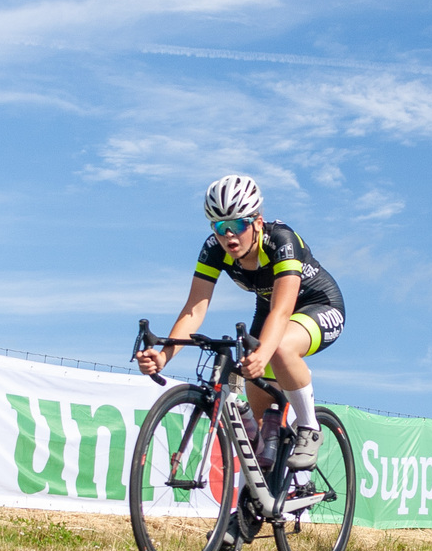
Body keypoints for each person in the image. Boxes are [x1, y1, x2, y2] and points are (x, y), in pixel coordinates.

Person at [135, 174, 345, 483]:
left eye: (239, 225)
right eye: (220, 228)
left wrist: (265, 352)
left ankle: (309, 428)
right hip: (269, 310)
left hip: (317, 304)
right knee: (256, 435)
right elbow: (194, 308)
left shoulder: (282, 241)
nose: (229, 236)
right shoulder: (213, 249)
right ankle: (247, 512)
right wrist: (165, 355)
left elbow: (283, 310)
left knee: (281, 348)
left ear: (257, 222)